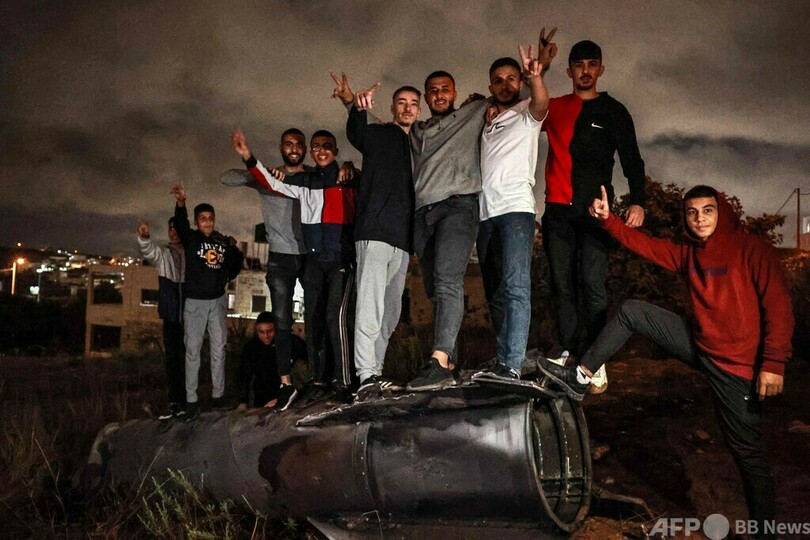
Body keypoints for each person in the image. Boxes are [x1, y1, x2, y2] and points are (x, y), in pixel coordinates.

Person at [538, 184, 794, 535]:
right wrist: (609, 219)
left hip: (737, 369)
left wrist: (773, 363)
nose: (699, 218)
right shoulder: (688, 254)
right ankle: (582, 376)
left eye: (707, 211)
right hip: (700, 347)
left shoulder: (752, 249)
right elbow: (643, 244)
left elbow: (778, 306)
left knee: (747, 454)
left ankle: (764, 532)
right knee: (633, 311)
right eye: (692, 213)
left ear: (722, 213)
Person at [540, 38, 647, 392]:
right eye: (578, 65)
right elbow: (522, 113)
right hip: (557, 210)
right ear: (569, 70)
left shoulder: (614, 111)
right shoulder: (555, 107)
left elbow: (632, 158)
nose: (585, 71)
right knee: (561, 284)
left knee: (592, 283)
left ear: (601, 69)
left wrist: (638, 201)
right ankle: (570, 351)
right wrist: (488, 106)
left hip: (596, 212)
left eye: (591, 64)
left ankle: (595, 359)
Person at [232, 129, 357, 404]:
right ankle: (319, 379)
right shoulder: (305, 183)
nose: (321, 150)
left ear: (336, 151)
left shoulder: (346, 178)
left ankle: (345, 379)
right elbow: (269, 182)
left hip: (339, 259)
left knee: (335, 317)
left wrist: (350, 167)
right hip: (314, 260)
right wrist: (248, 156)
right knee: (312, 321)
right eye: (316, 146)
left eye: (327, 146)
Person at [472, 44, 550, 383]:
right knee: (494, 292)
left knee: (516, 285)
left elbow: (542, 102)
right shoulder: (486, 117)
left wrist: (536, 77)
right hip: (485, 214)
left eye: (512, 79)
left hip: (516, 210)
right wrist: (482, 105)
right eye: (498, 80)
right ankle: (504, 358)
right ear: (490, 85)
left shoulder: (526, 112)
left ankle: (512, 365)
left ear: (520, 82)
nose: (506, 85)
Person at [339, 78, 420, 401]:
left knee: (390, 312)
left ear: (419, 110)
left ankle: (377, 369)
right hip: (374, 232)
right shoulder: (379, 133)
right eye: (402, 102)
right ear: (392, 107)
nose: (407, 108)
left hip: (402, 240)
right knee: (369, 306)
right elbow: (356, 132)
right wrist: (357, 107)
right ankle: (365, 374)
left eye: (413, 104)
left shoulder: (420, 143)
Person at [221, 128, 309, 411]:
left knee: (318, 317)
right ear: (281, 147)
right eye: (288, 144)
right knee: (282, 321)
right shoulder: (268, 177)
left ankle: (322, 378)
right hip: (280, 257)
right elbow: (227, 178)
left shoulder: (311, 176)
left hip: (310, 254)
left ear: (305, 148)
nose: (294, 148)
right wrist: (259, 170)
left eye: (299, 144)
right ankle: (286, 384)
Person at [171, 184, 244, 421]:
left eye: (210, 218)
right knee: (192, 352)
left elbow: (234, 263)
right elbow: (180, 225)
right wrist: (181, 203)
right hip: (195, 303)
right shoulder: (192, 239)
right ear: (196, 221)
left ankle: (218, 396)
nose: (207, 222)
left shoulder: (221, 241)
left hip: (217, 301)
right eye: (203, 219)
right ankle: (191, 400)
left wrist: (233, 256)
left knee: (219, 349)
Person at [137, 217, 186, 421]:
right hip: (171, 315)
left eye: (176, 228)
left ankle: (189, 402)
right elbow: (148, 252)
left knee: (189, 360)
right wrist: (144, 237)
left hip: (190, 315)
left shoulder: (192, 253)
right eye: (170, 229)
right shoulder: (164, 254)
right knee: (173, 360)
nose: (173, 232)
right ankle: (176, 403)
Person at [237, 312, 307, 411]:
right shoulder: (251, 348)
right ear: (256, 330)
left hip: (288, 395)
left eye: (269, 331)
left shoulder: (290, 343)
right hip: (262, 398)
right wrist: (243, 401)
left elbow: (309, 361)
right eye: (261, 332)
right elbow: (244, 376)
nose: (266, 336)